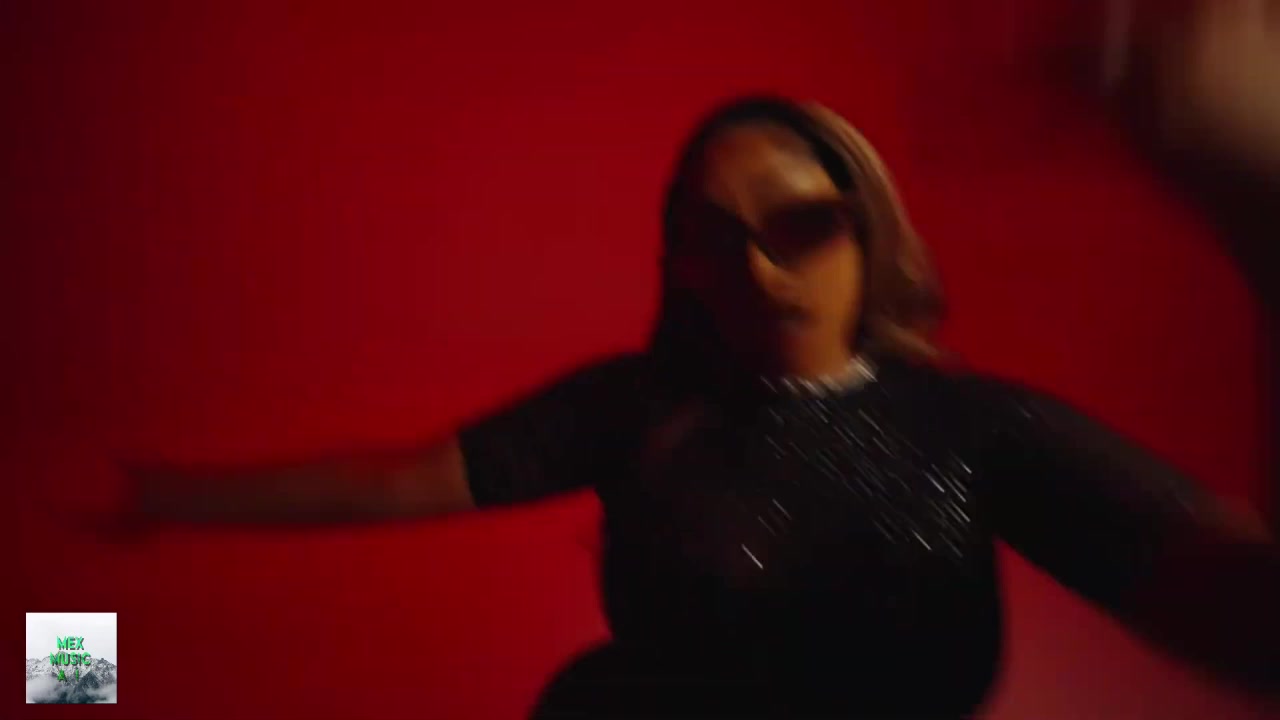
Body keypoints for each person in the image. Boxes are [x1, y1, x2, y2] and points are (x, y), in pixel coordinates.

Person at [129, 9, 1280, 718]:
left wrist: (1255, 202)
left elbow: (1250, 621)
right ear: (675, 260)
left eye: (798, 225)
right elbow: (394, 482)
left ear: (867, 232)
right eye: (709, 236)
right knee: (79, 664)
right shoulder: (634, 407)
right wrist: (170, 498)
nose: (758, 270)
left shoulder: (974, 428)